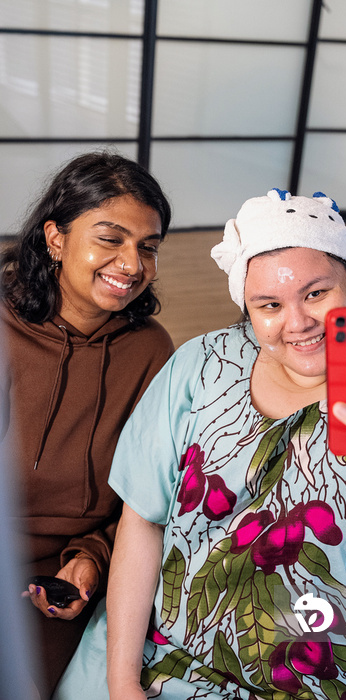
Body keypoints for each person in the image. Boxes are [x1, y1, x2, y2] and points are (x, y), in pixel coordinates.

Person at [56, 189, 346, 700]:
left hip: (330, 671)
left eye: (317, 293)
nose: (296, 323)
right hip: (165, 650)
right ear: (247, 311)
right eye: (268, 305)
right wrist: (121, 682)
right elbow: (145, 519)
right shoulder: (202, 363)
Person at [0, 151, 174, 698]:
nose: (131, 263)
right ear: (55, 238)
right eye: (111, 238)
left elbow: (148, 494)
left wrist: (91, 560)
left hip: (60, 579)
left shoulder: (150, 351)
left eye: (147, 247)